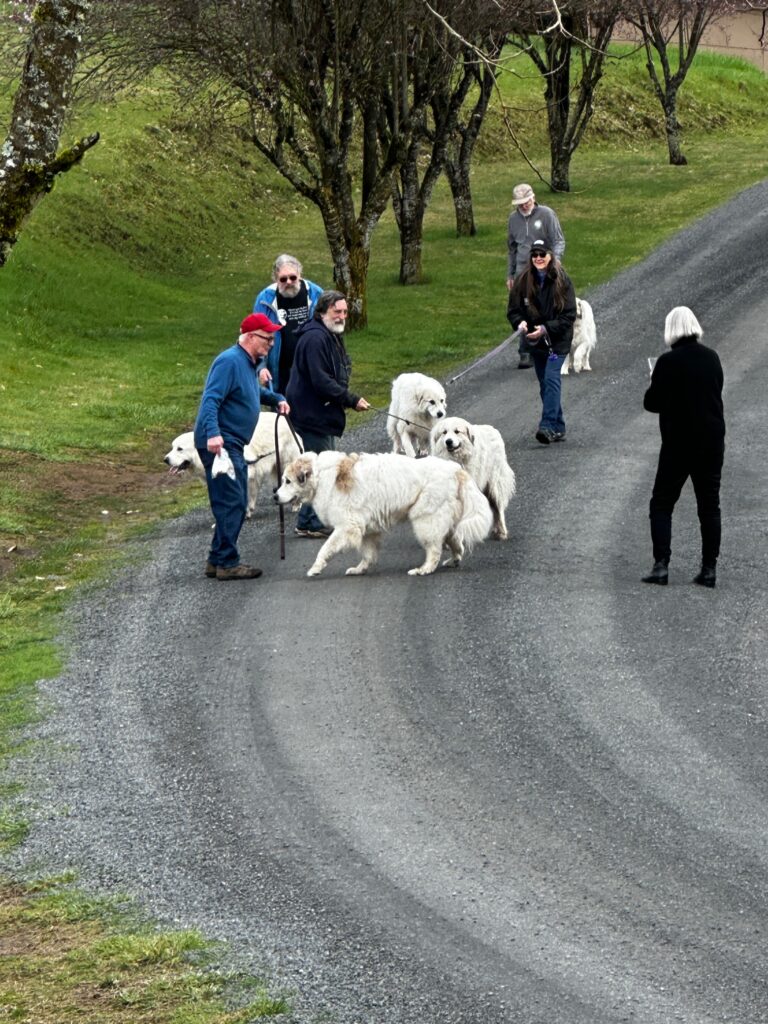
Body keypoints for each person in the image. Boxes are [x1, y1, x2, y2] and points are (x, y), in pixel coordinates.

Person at [194, 313, 290, 580]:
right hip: (221, 444)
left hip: (231, 442)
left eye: (273, 338)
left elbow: (250, 392)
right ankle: (227, 562)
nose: (272, 343)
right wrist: (213, 434)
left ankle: (217, 559)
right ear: (250, 337)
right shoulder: (229, 361)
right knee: (233, 501)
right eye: (267, 337)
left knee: (232, 499)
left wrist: (276, 398)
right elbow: (211, 399)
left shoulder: (248, 363)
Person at [641, 306, 725, 588]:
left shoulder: (667, 362)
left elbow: (652, 403)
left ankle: (661, 566)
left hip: (678, 443)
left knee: (662, 503)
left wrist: (654, 381)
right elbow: (716, 391)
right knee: (709, 505)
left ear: (671, 329)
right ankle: (709, 569)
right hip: (711, 442)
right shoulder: (712, 357)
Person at [285, 290, 370, 537]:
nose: (342, 316)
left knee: (321, 464)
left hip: (321, 411)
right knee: (319, 467)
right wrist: (351, 399)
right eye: (337, 311)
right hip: (311, 413)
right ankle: (311, 522)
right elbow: (321, 381)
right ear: (322, 312)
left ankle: (308, 520)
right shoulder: (315, 339)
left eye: (344, 312)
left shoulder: (329, 334)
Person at [506, 238, 576, 445]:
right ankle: (559, 427)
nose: (538, 258)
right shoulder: (523, 281)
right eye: (534, 255)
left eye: (542, 254)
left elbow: (569, 315)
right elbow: (514, 311)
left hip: (557, 341)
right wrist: (520, 323)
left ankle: (546, 426)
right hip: (535, 343)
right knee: (545, 384)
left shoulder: (562, 280)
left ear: (550, 256)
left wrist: (546, 329)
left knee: (552, 379)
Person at [506, 183, 566, 369]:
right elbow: (512, 249)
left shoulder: (546, 214)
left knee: (546, 306)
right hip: (522, 271)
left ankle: (550, 344)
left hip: (543, 267)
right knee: (522, 308)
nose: (524, 205)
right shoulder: (513, 219)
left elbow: (558, 240)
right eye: (520, 203)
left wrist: (554, 262)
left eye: (527, 201)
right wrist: (510, 274)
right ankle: (525, 351)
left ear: (533, 197)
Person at [253, 254, 324, 393]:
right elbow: (256, 336)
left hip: (311, 369)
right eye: (283, 279)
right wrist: (261, 367)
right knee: (282, 405)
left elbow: (328, 332)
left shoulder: (316, 295)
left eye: (293, 277)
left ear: (300, 274)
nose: (289, 282)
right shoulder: (265, 299)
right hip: (279, 371)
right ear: (275, 278)